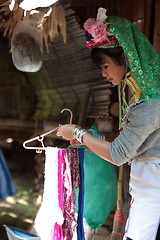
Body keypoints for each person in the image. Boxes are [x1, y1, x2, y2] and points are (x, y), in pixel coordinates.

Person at [57, 7, 160, 240]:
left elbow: (119, 154)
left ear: (125, 58)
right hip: (148, 185)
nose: (104, 74)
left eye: (105, 66)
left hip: (154, 185)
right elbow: (125, 146)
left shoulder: (150, 103)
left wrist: (79, 133)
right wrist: (87, 142)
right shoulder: (143, 97)